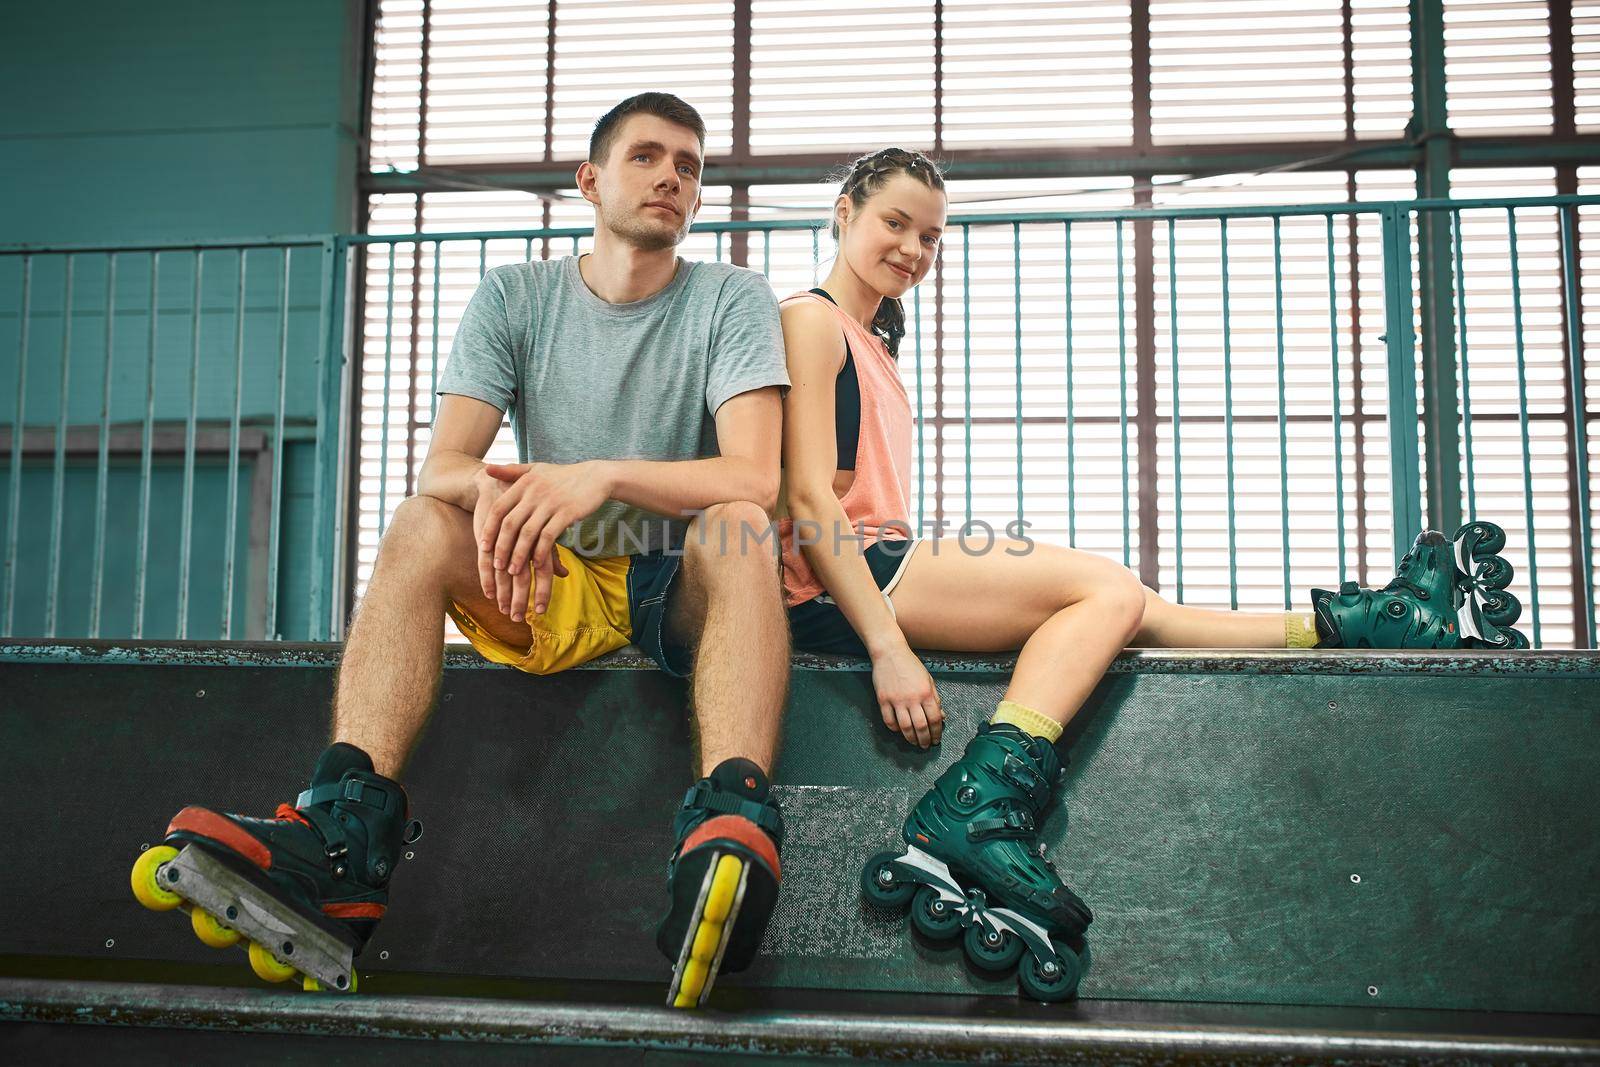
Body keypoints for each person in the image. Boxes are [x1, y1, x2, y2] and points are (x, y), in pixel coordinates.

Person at [774, 147, 1528, 1002]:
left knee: (1137, 611)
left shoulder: (876, 347)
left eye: (932, 237)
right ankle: (972, 806)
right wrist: (887, 647)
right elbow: (804, 494)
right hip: (838, 577)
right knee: (1108, 588)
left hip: (879, 562)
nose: (912, 248)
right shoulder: (810, 320)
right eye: (895, 223)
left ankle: (1358, 620)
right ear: (844, 213)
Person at [130, 93, 792, 1010]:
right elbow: (446, 463)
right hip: (543, 577)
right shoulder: (515, 296)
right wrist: (497, 499)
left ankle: (729, 823)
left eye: (690, 163)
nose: (673, 176)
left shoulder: (732, 297)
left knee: (742, 525)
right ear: (589, 180)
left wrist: (598, 475)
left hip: (670, 580)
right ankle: (342, 842)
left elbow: (755, 476)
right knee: (420, 520)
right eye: (647, 156)